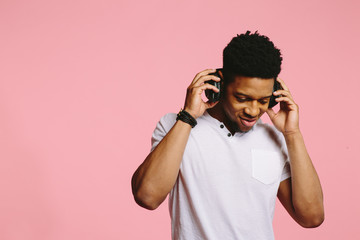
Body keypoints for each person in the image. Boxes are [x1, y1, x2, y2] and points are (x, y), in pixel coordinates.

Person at [131, 30, 324, 240]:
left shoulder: (275, 138)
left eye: (263, 101)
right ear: (219, 84)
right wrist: (187, 117)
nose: (253, 110)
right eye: (242, 98)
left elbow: (311, 217)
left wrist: (292, 134)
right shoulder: (176, 126)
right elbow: (147, 196)